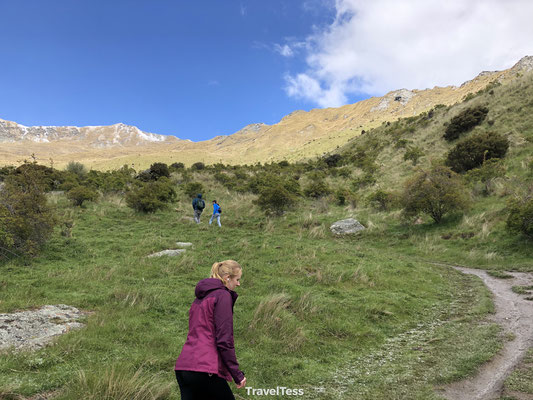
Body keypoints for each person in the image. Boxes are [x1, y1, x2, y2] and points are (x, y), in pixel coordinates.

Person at [174, 260, 246, 400]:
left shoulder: (200, 298)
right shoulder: (223, 296)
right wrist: (237, 374)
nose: (238, 284)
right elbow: (224, 340)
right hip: (204, 369)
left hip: (184, 367)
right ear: (227, 278)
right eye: (237, 279)